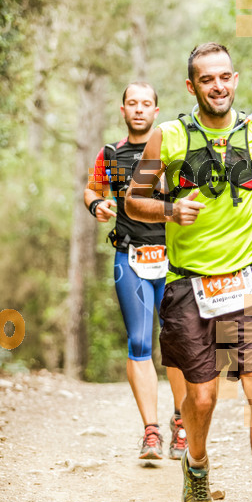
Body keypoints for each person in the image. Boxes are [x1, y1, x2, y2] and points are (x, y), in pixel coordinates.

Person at [125, 43, 252, 502]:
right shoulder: (168, 136)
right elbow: (134, 201)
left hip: (249, 272)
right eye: (207, 79)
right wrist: (170, 210)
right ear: (191, 86)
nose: (217, 86)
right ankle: (195, 465)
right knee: (200, 399)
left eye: (224, 77)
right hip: (188, 281)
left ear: (235, 79)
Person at [84, 82, 187, 462]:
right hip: (131, 258)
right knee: (140, 342)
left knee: (177, 344)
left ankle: (182, 425)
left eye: (146, 104)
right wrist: (96, 205)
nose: (139, 109)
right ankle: (151, 432)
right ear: (123, 110)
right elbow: (91, 189)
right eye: (132, 103)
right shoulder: (110, 154)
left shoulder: (175, 150)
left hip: (175, 260)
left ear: (157, 111)